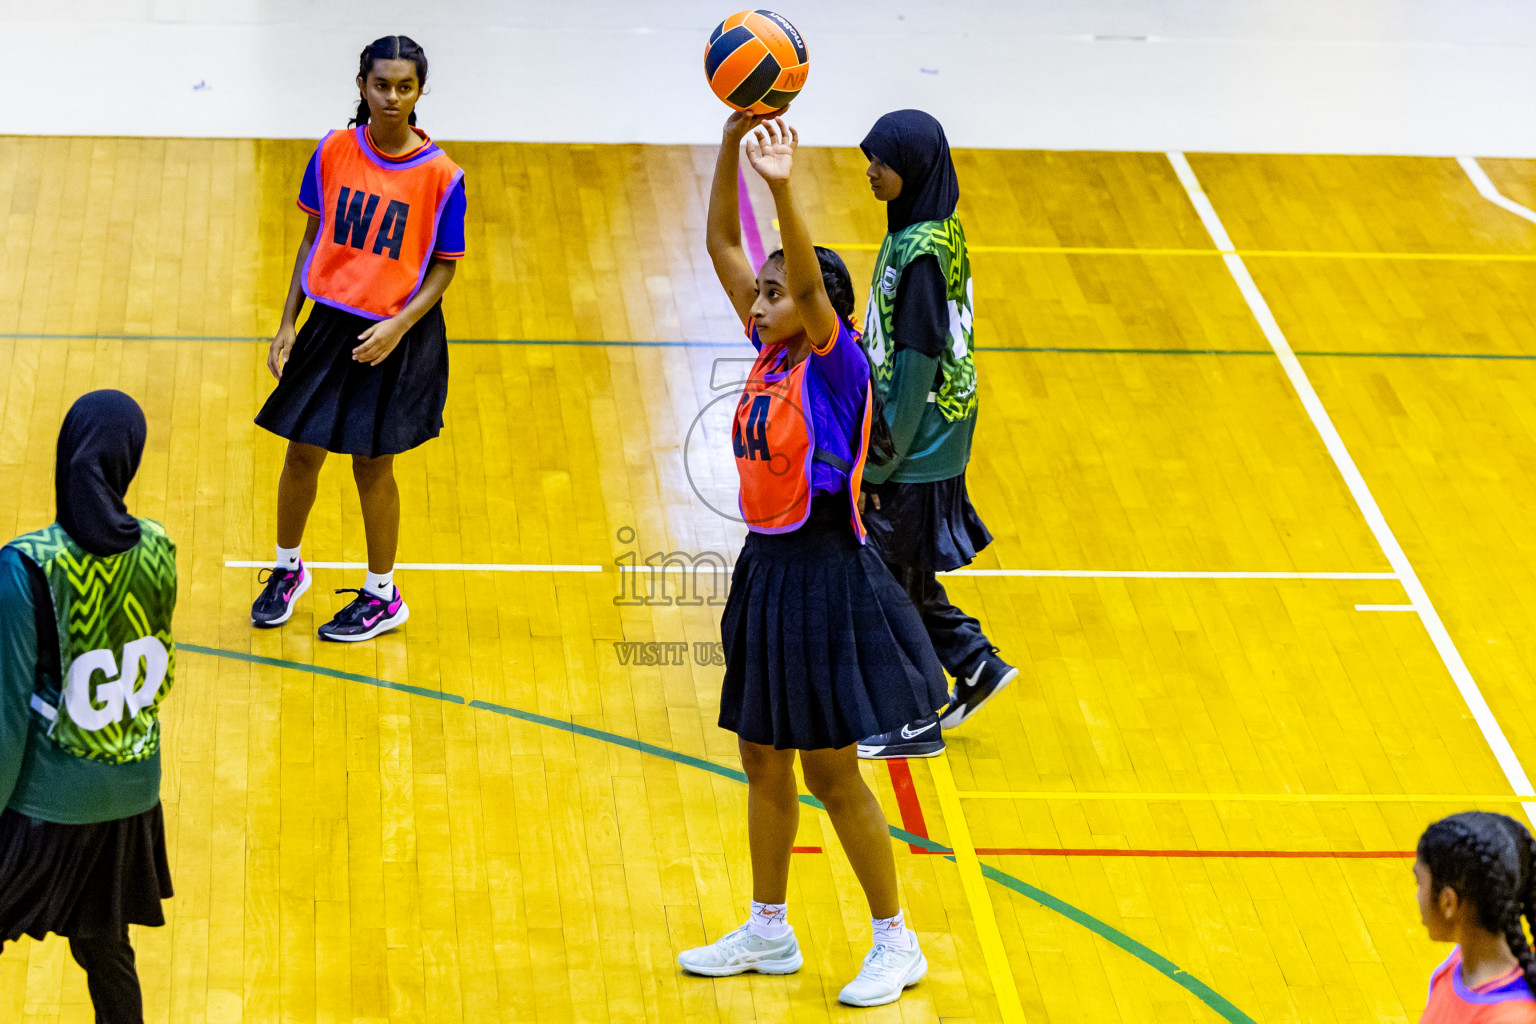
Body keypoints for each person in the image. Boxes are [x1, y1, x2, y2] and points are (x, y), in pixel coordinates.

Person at [676, 113, 947, 1007]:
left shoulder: (837, 367)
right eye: (757, 294)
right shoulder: (767, 350)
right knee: (761, 759)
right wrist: (729, 139)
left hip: (828, 573)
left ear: (816, 306)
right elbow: (719, 237)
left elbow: (809, 284)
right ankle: (768, 929)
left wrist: (785, 187)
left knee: (833, 773)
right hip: (767, 571)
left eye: (777, 292)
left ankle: (895, 940)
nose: (758, 305)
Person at [251, 34, 467, 642]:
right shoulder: (333, 151)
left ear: (420, 91)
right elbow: (312, 238)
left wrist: (399, 326)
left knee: (373, 467)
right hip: (329, 321)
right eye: (381, 85)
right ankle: (288, 570)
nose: (392, 97)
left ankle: (382, 594)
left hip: (395, 332)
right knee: (301, 451)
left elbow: (446, 265)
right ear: (361, 86)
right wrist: (288, 321)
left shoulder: (443, 177)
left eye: (405, 87)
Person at [0, 390, 178, 1024]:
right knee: (105, 947)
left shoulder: (27, 565)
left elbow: (7, 715)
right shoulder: (158, 546)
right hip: (133, 797)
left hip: (48, 803)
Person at [853, 109, 1018, 760]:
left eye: (881, 163)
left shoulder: (922, 254)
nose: (869, 171)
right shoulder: (932, 228)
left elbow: (918, 366)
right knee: (902, 574)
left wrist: (879, 464)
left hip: (916, 445)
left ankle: (912, 718)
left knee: (883, 582)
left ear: (912, 169)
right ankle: (974, 663)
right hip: (933, 437)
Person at [1415, 811, 1536, 1022]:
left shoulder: (1512, 1018)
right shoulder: (1456, 965)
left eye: (1419, 882)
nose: (1416, 896)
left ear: (1448, 903)